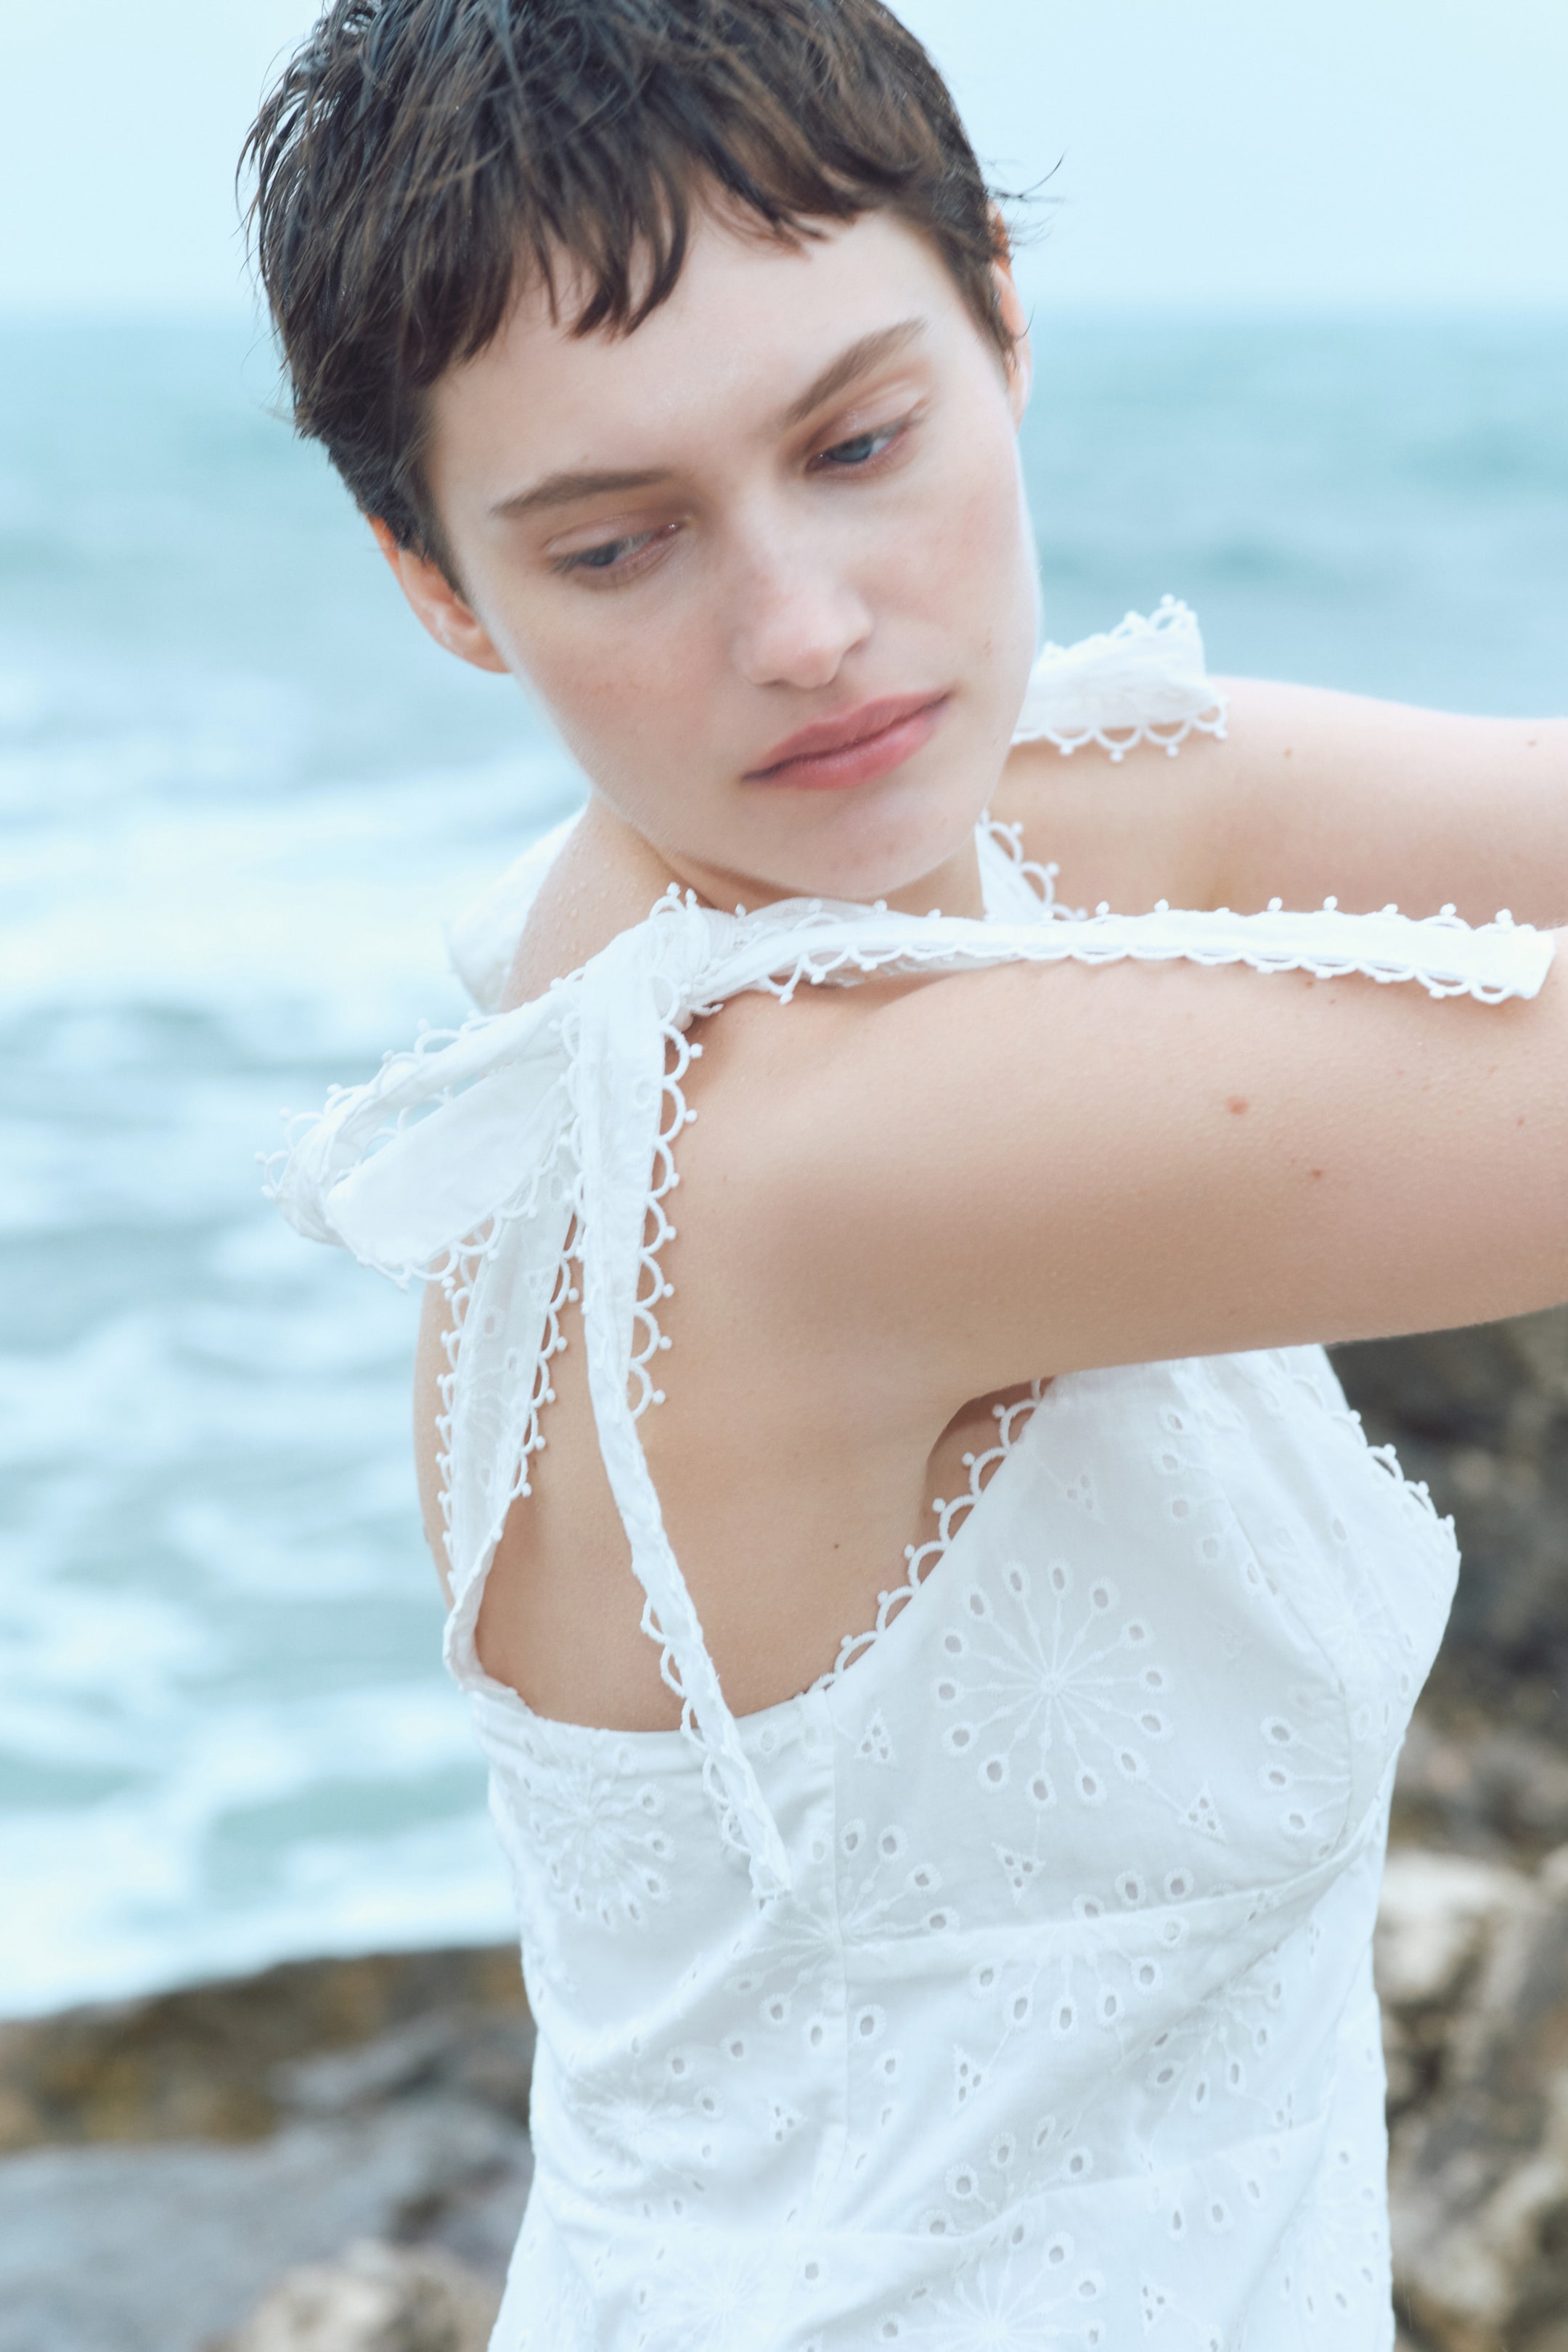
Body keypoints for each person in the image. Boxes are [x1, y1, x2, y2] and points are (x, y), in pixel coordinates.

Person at [250, 2, 1568, 2343]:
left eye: (859, 442)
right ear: (439, 584)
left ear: (1000, 328)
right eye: (617, 547)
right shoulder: (804, 1148)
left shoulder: (948, 825)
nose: (805, 628)